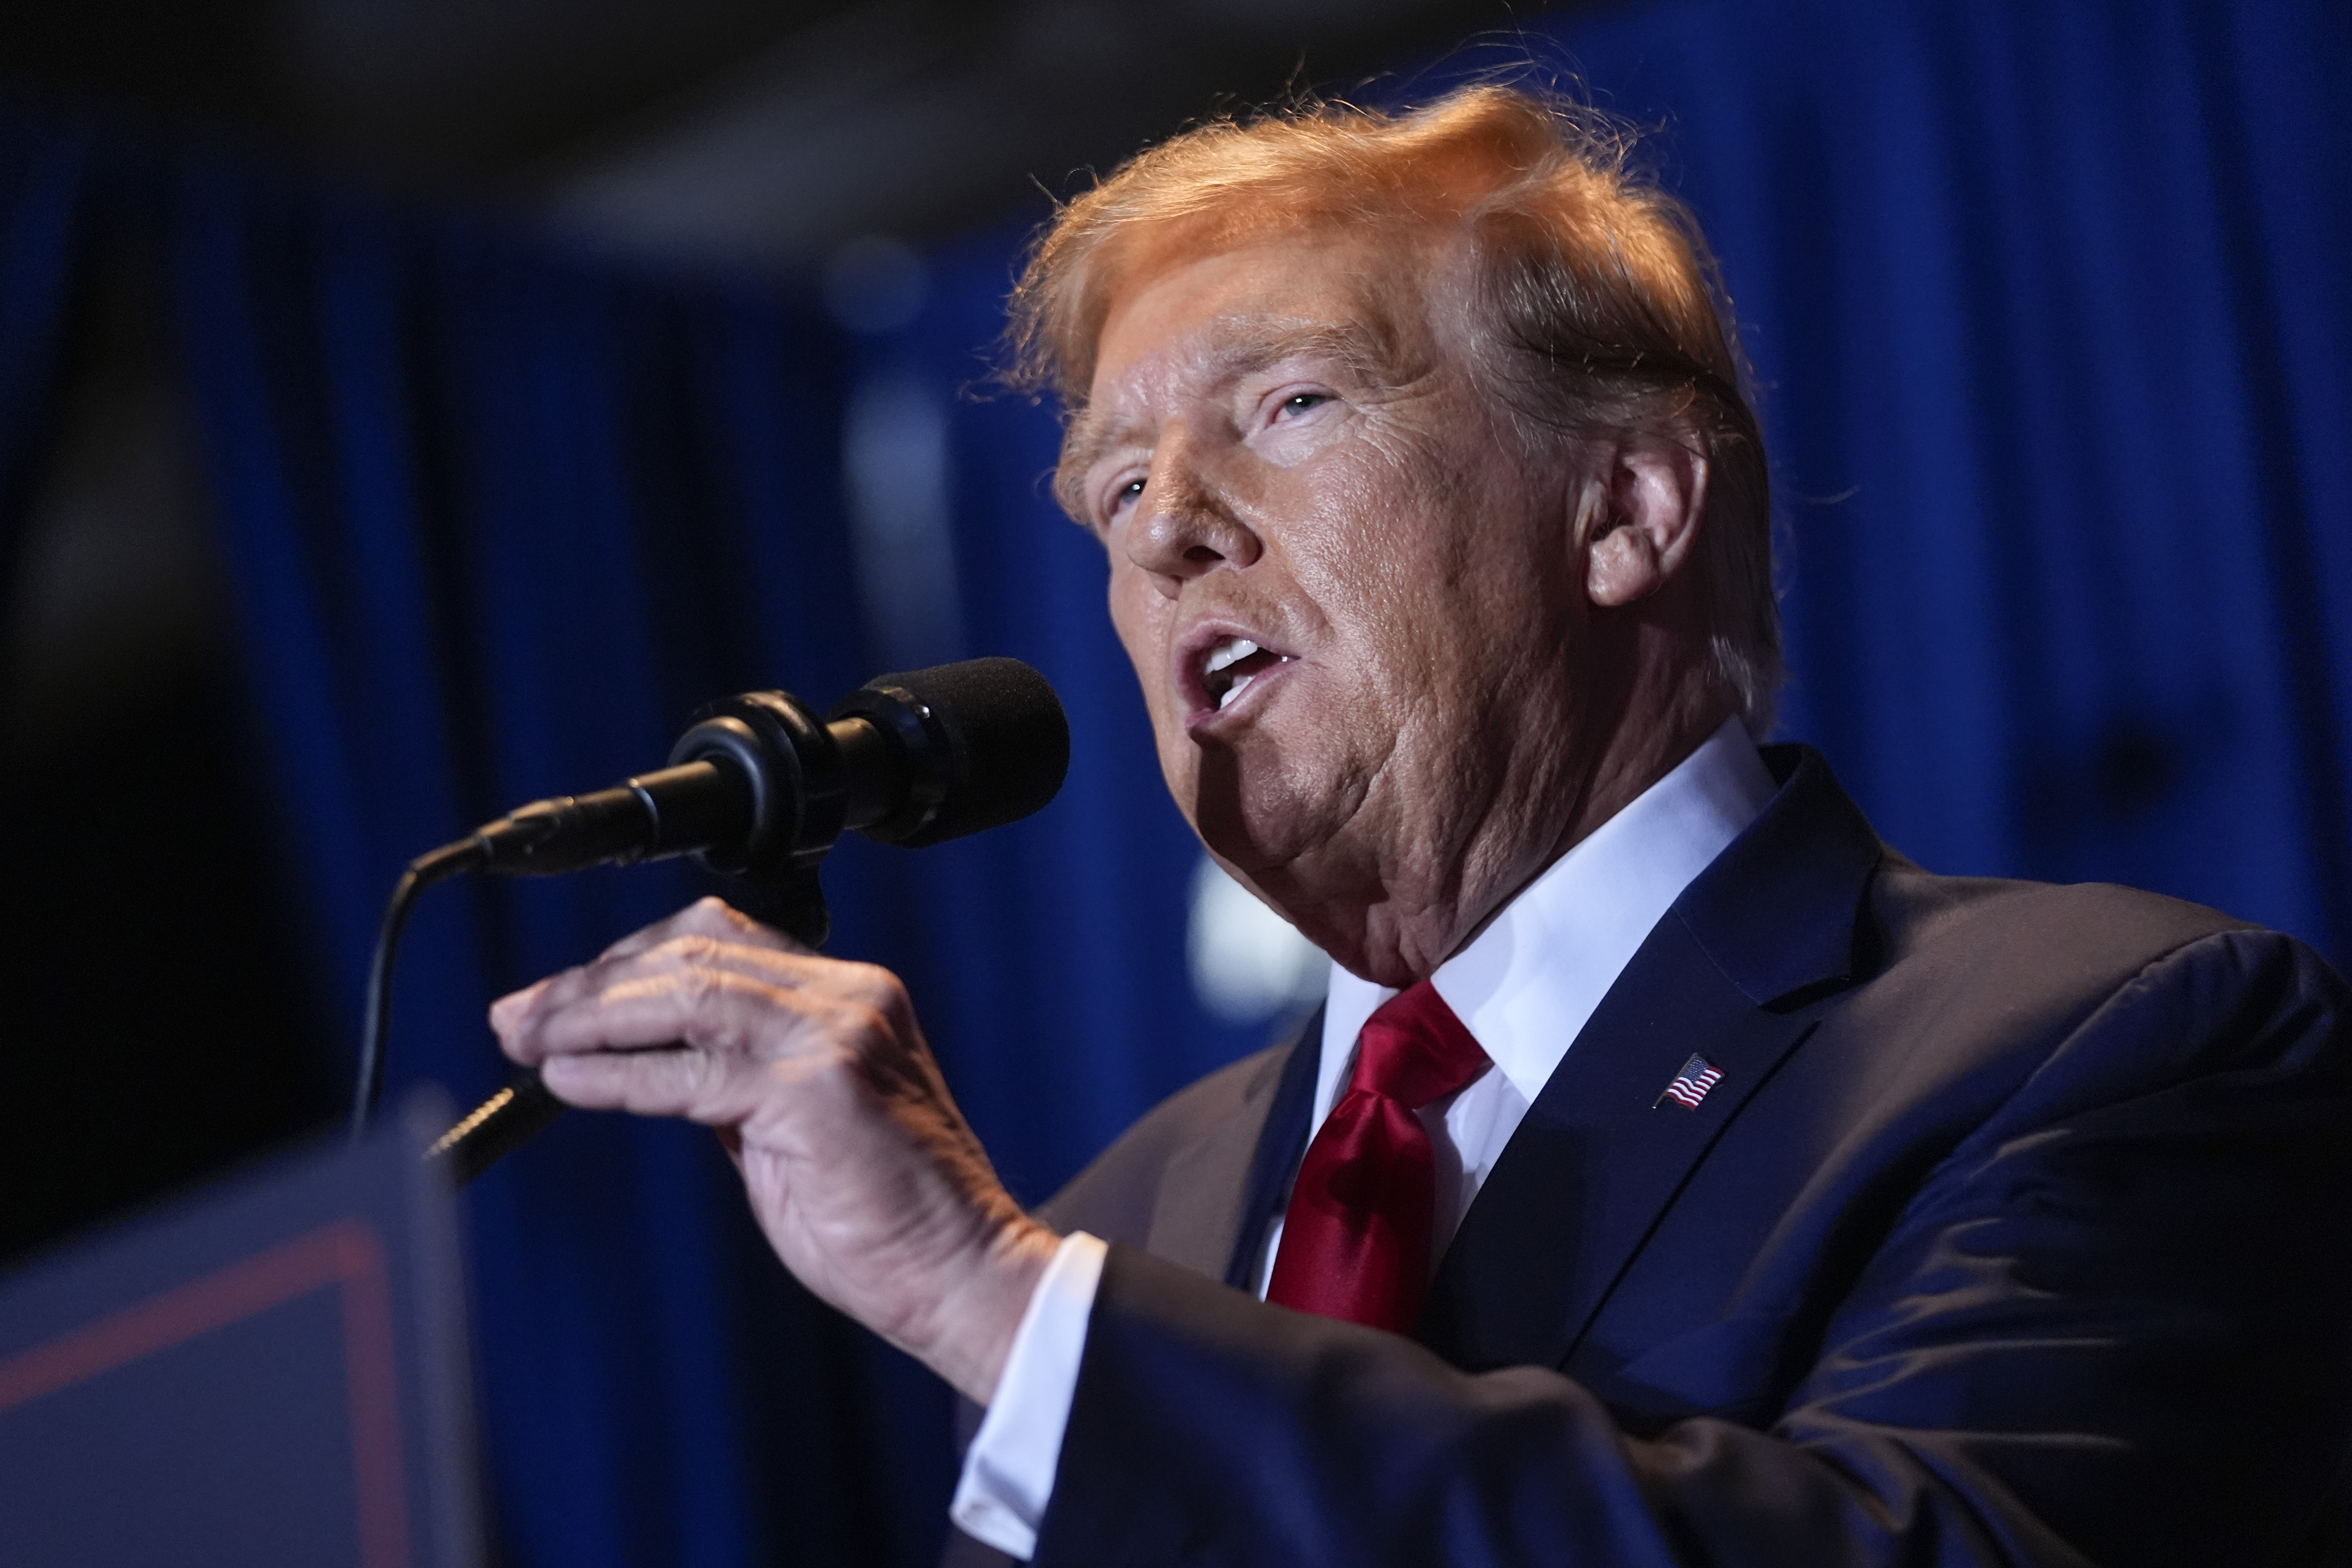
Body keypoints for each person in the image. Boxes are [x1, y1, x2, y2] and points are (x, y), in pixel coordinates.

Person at [489, 85, 2352, 1565]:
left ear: (1624, 508)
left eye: (1289, 404)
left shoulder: (2103, 1044)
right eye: (1115, 488)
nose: (1167, 528)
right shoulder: (1123, 1219)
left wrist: (1004, 1306)